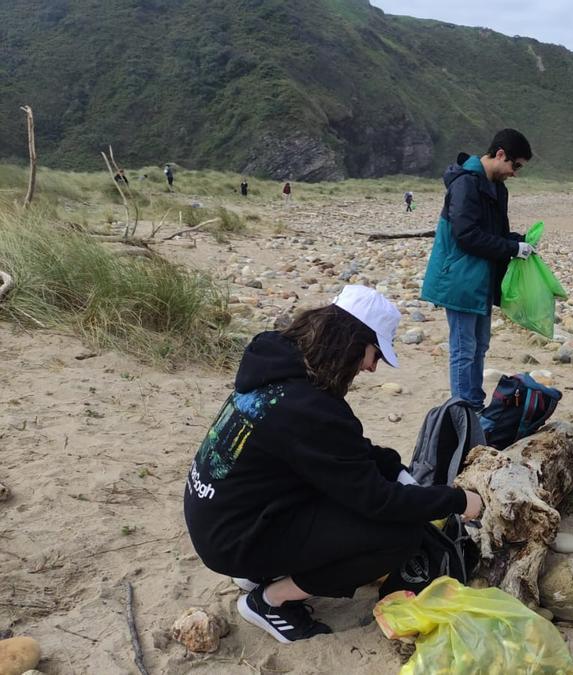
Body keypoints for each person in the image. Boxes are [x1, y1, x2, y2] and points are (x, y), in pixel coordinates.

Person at [183, 285, 485, 643]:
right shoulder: (309, 408)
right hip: (233, 540)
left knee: (342, 499)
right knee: (398, 535)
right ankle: (270, 600)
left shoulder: (279, 367)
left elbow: (348, 451)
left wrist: (400, 473)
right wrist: (457, 500)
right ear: (351, 341)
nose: (372, 367)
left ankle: (260, 571)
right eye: (374, 353)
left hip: (219, 516)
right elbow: (380, 502)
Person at [420, 129, 534, 410]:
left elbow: (495, 232)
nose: (515, 173)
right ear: (500, 155)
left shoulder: (497, 188)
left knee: (480, 345)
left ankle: (474, 402)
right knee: (463, 349)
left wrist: (518, 242)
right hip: (459, 280)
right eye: (515, 165)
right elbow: (466, 235)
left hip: (481, 281)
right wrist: (511, 249)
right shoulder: (465, 184)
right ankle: (461, 409)